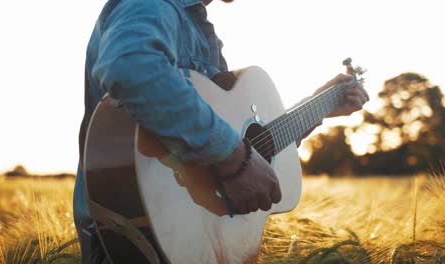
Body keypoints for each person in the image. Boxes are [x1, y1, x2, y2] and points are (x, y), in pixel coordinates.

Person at [73, 0, 369, 261]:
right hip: (136, 235)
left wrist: (317, 108)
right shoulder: (157, 4)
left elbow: (246, 140)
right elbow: (131, 66)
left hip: (196, 240)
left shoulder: (201, 31)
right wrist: (234, 157)